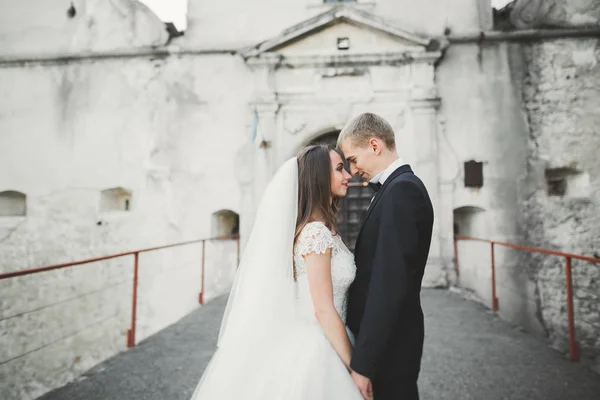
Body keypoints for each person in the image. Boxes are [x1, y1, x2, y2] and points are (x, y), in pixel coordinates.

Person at [190, 144, 367, 399]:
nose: (349, 175)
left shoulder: (319, 228)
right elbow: (323, 308)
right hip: (320, 346)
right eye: (340, 169)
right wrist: (354, 367)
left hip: (323, 338)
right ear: (318, 177)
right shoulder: (315, 233)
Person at [338, 113, 434, 400]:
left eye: (353, 159)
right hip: (389, 341)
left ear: (375, 145)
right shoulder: (395, 188)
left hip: (391, 346)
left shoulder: (401, 190)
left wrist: (364, 364)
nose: (353, 170)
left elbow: (388, 284)